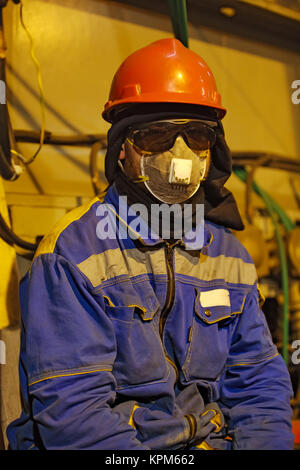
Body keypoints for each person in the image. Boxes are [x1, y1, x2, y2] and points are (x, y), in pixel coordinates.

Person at [7, 38, 294, 450]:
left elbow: (259, 389)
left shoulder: (229, 258)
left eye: (196, 136)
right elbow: (74, 417)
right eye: (157, 136)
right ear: (122, 149)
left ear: (213, 151)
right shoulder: (73, 255)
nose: (179, 158)